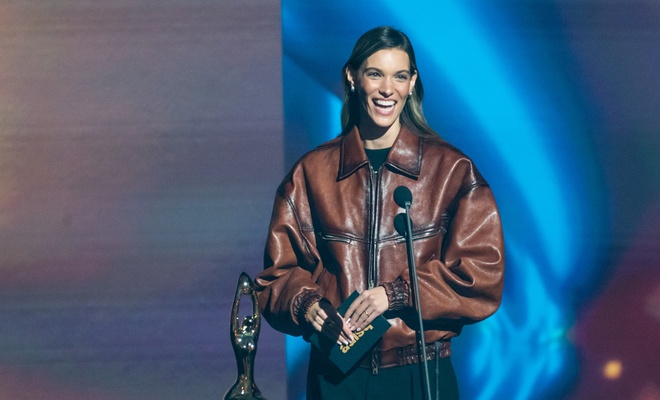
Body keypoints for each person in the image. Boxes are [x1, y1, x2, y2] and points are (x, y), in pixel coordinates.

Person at [254, 26, 504, 400]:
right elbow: (276, 277)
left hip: (420, 373)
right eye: (376, 74)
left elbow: (482, 276)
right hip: (337, 376)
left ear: (412, 83)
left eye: (399, 76)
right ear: (352, 77)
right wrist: (307, 305)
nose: (388, 88)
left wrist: (397, 294)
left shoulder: (451, 170)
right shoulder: (312, 173)